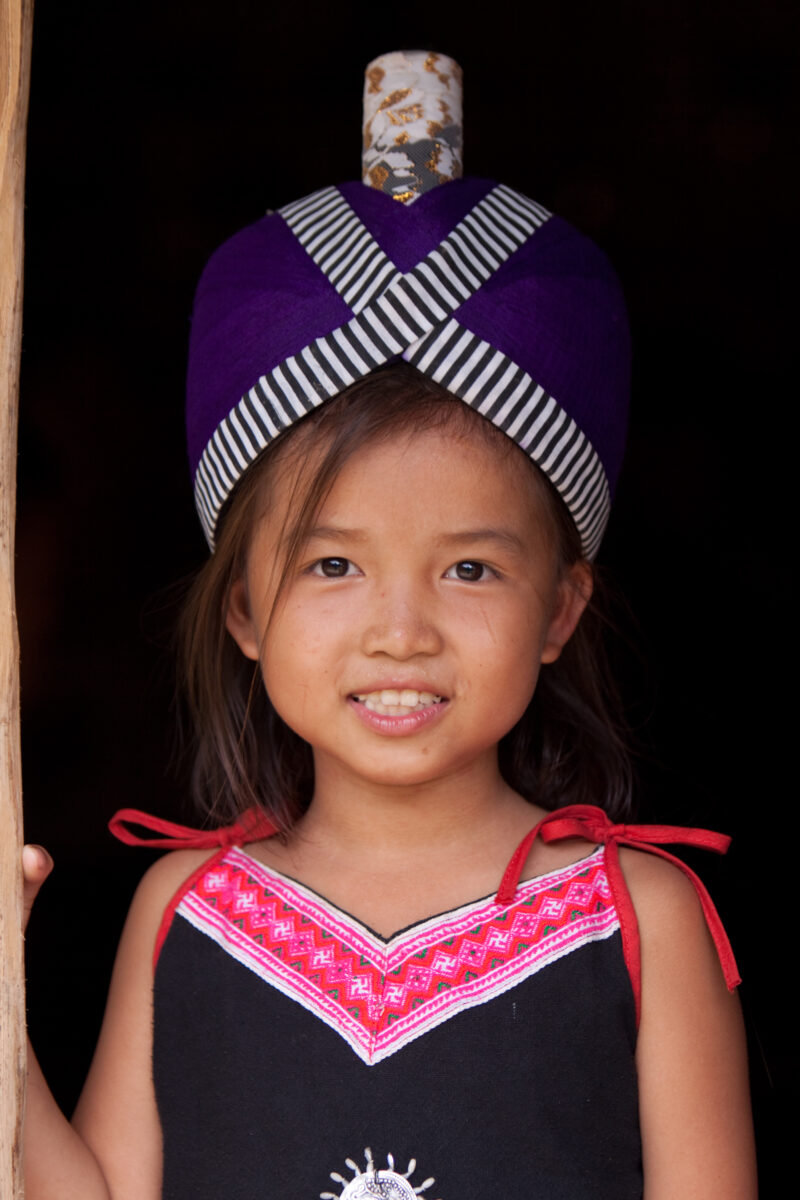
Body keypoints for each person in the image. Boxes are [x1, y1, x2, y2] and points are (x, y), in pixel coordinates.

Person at [21, 51, 756, 1200]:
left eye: (467, 567)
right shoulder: (189, 911)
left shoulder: (633, 920)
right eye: (332, 565)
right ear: (245, 609)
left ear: (559, 608)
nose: (400, 631)